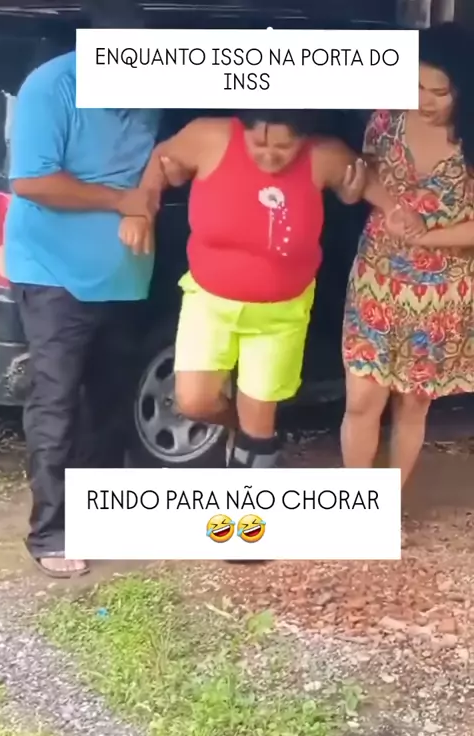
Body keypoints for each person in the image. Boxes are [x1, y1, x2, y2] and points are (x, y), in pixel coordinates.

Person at [120, 110, 408, 469]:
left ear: (303, 139)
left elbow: (363, 180)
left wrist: (391, 208)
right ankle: (244, 435)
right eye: (258, 143)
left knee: (258, 426)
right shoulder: (209, 137)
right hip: (209, 302)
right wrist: (142, 209)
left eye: (284, 147)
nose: (270, 155)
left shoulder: (323, 154)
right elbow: (162, 158)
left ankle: (254, 466)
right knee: (193, 401)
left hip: (279, 313)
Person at [5, 48, 170, 579]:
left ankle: (97, 517)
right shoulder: (51, 85)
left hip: (124, 274)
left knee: (110, 402)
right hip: (52, 273)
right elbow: (31, 181)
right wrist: (123, 201)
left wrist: (146, 199)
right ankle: (51, 532)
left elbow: (166, 155)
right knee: (56, 401)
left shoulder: (154, 82)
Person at [342, 22, 474, 489]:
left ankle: (387, 504)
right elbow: (365, 177)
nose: (425, 101)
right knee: (362, 400)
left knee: (413, 404)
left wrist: (425, 237)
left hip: (443, 293)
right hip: (376, 278)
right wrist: (359, 192)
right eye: (417, 86)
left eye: (440, 92)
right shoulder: (386, 119)